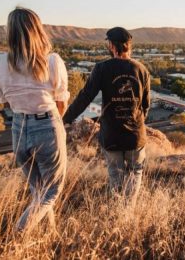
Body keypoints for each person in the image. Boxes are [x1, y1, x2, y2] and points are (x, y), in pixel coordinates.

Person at [0, 7, 69, 232]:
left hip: (18, 126)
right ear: (38, 29)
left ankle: (50, 234)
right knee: (51, 191)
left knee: (38, 190)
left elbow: (2, 99)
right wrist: (51, 125)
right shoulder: (52, 61)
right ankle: (18, 233)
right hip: (47, 124)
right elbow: (61, 102)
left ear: (9, 33)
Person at [63, 27, 150, 205]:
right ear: (128, 45)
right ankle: (129, 210)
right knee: (136, 171)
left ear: (111, 45)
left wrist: (66, 118)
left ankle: (119, 209)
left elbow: (84, 97)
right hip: (135, 135)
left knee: (115, 173)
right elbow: (146, 105)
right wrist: (136, 122)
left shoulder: (102, 68)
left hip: (112, 135)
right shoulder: (141, 69)